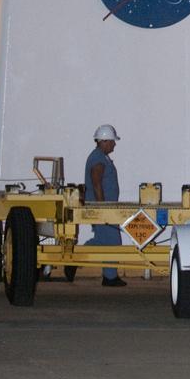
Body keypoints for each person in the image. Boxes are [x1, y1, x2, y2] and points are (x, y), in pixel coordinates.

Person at [84, 123, 125, 287]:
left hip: (106, 208)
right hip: (104, 209)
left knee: (101, 241)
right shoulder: (98, 159)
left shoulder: (100, 157)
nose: (114, 144)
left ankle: (73, 260)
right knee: (112, 242)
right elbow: (96, 184)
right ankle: (110, 277)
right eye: (112, 141)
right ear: (104, 141)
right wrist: (103, 208)